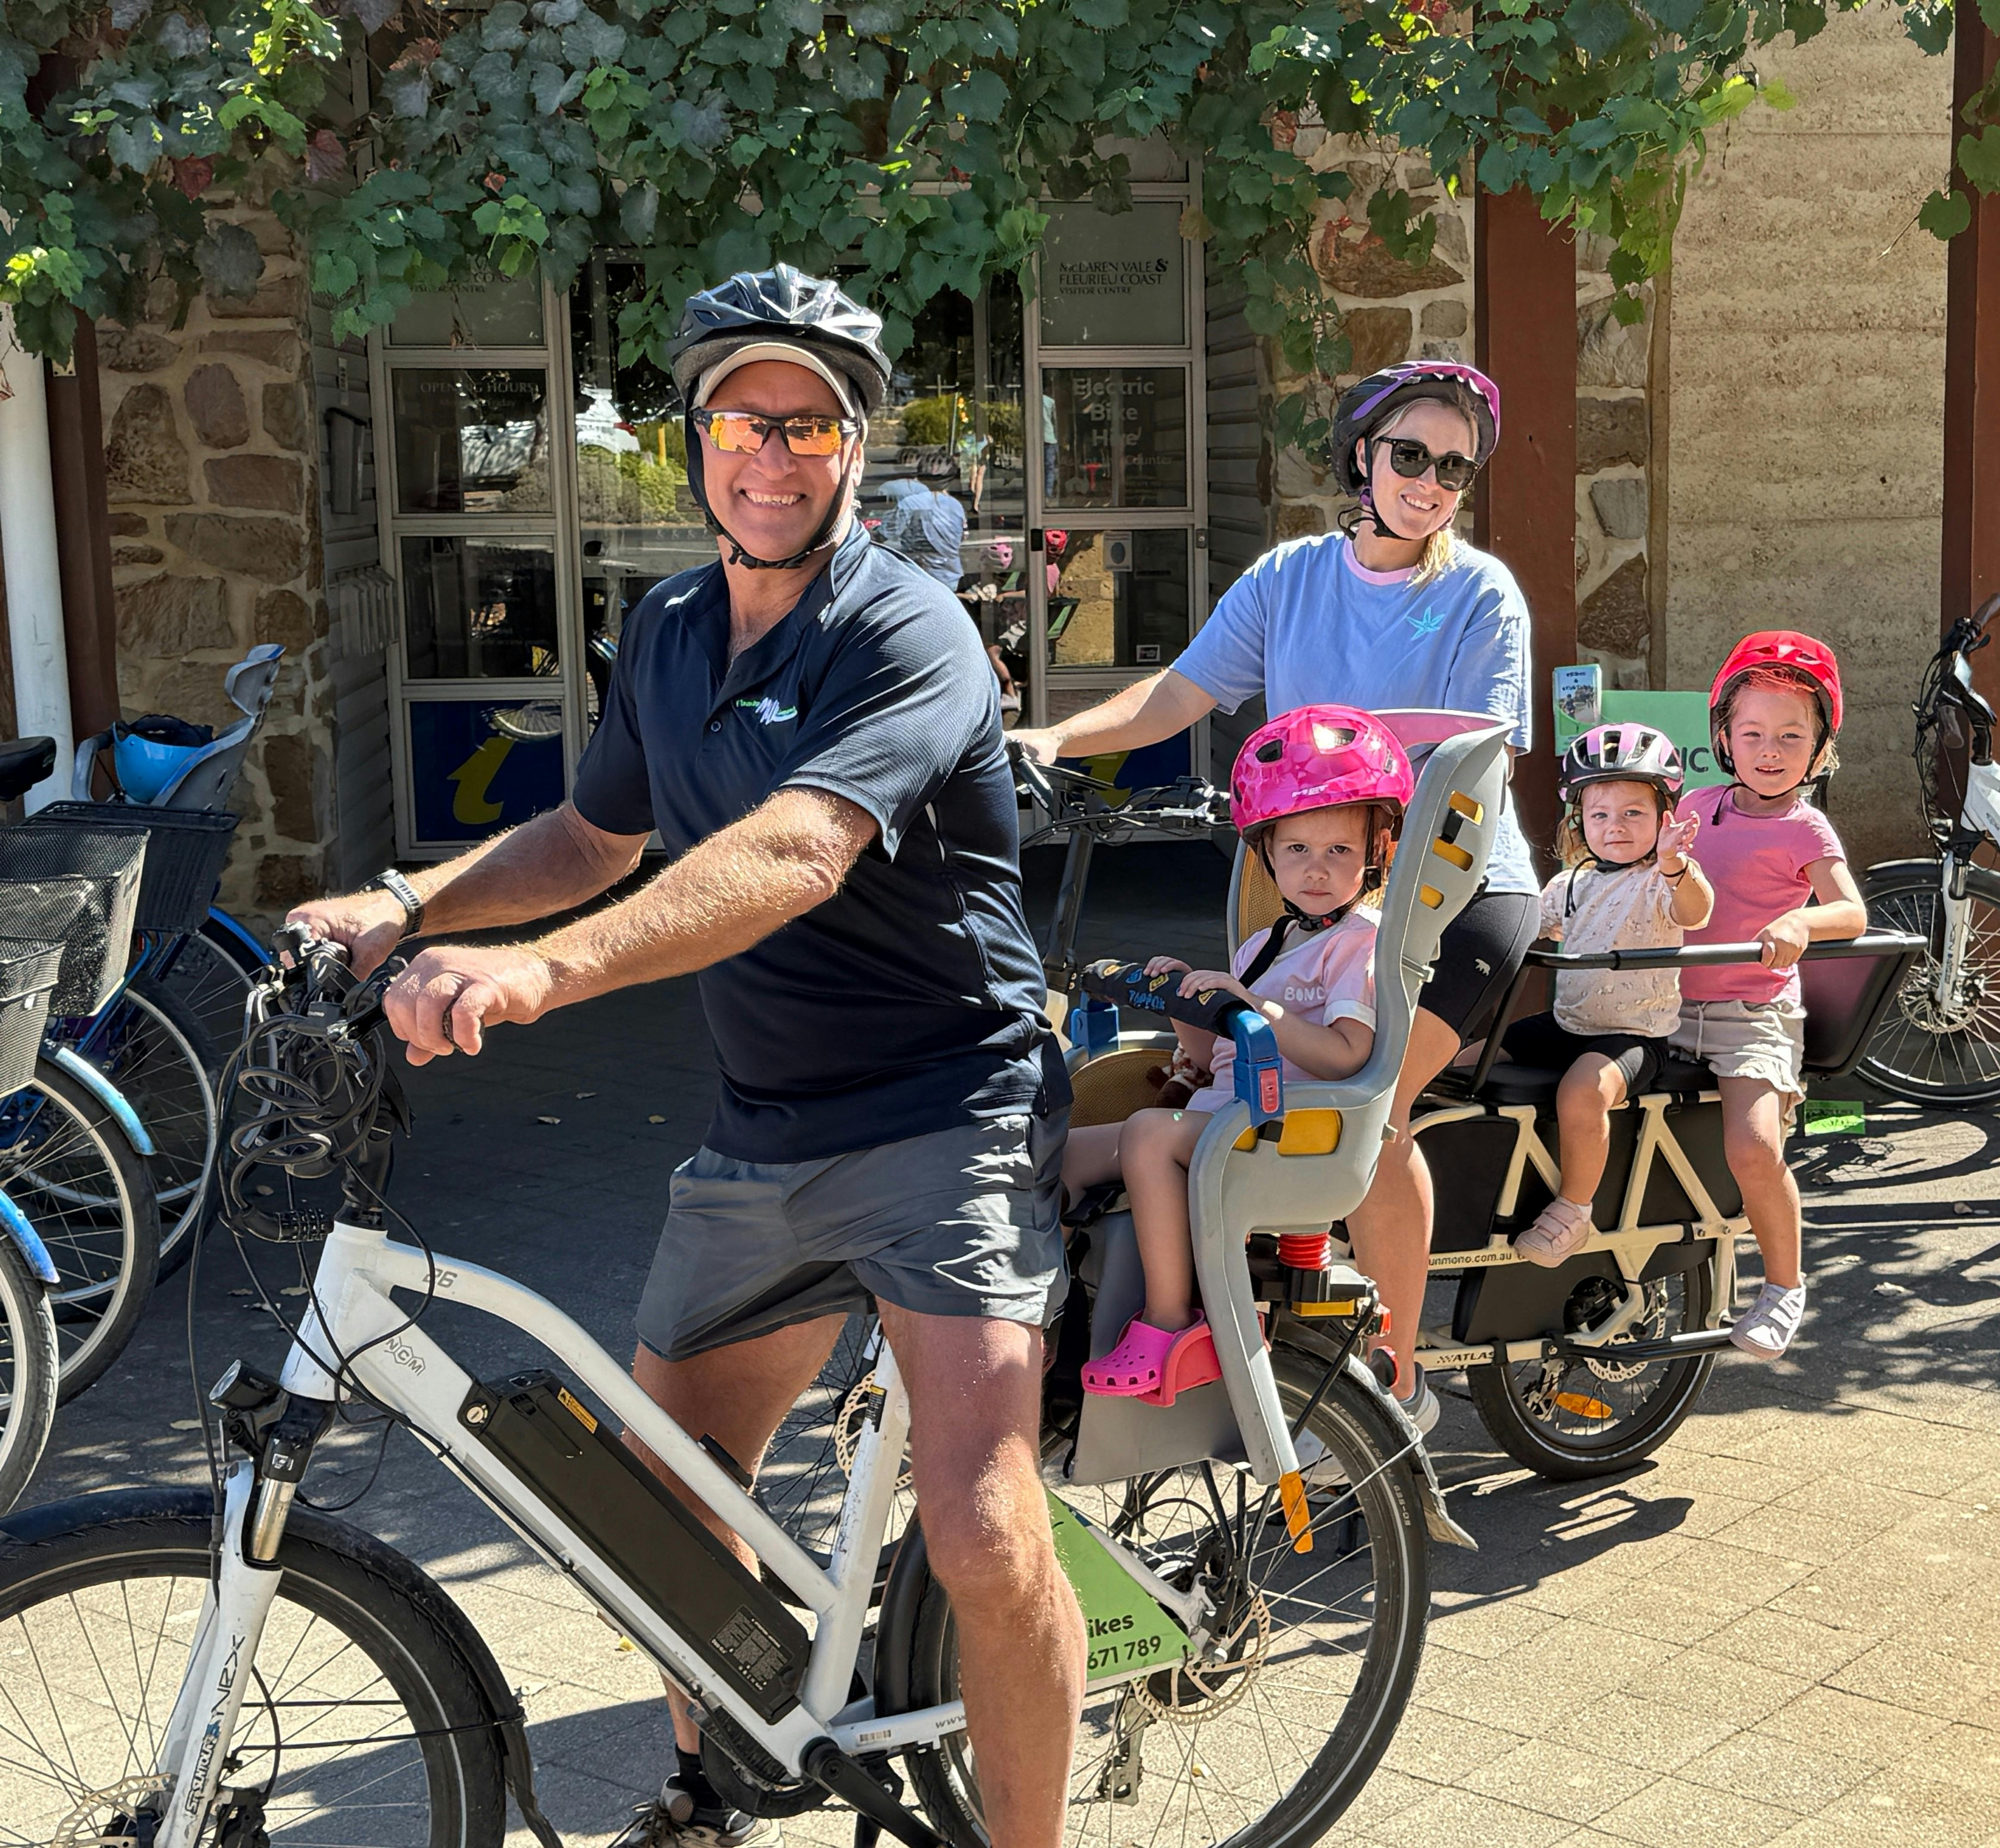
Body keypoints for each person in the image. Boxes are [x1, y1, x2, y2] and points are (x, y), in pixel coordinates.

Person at [286, 266, 1083, 1848]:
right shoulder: (662, 625)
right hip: (767, 1128)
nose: (769, 455)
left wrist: (537, 976)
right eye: (740, 420)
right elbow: (595, 826)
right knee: (662, 1502)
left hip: (951, 1117)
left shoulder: (909, 632)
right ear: (693, 442)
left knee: (984, 1534)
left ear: (854, 445)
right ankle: (716, 1782)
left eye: (806, 422)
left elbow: (795, 848)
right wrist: (404, 904)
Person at [1011, 361, 1538, 1428]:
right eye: (1409, 456)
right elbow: (1180, 693)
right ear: (1362, 458)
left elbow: (1483, 760)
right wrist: (1053, 738)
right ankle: (1257, 1329)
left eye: (1453, 466)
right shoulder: (1290, 578)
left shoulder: (1478, 592)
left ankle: (1398, 1382)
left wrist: (1353, 809)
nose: (1429, 483)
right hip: (1310, 880)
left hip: (1453, 886)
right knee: (1223, 1093)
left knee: (1367, 1114)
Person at [1068, 705, 1412, 1402]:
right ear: (1266, 853)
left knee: (1144, 1133)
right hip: (1226, 1113)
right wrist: (1180, 998)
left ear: (1374, 852)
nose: (1315, 869)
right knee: (1058, 1152)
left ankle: (1170, 1322)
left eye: (1338, 851)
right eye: (1296, 850)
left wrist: (1263, 1010)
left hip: (1281, 1130)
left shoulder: (1360, 943)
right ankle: (1058, 1313)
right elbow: (1217, 1049)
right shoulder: (1263, 945)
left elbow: (1350, 1055)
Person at [1673, 631, 1867, 1361]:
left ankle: (1784, 1284)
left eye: (1792, 735)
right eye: (1752, 733)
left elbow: (1850, 912)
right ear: (1724, 737)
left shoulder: (1804, 824)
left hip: (1752, 1013)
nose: (1770, 750)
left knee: (1754, 1145)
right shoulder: (1695, 805)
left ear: (1821, 748)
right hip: (1664, 1005)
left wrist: (1799, 917)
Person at [1505, 723, 1713, 1266]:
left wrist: (1675, 864)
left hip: (1634, 1034)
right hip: (1567, 1024)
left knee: (1583, 1092)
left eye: (1633, 814)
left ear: (1666, 819)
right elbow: (1524, 930)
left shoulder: (1662, 880)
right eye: (1599, 815)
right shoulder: (1571, 882)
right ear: (1579, 821)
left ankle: (1574, 1210)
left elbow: (1696, 911)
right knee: (1467, 1061)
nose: (1614, 827)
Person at [874, 451, 967, 588]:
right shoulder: (956, 505)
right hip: (950, 577)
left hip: (920, 577)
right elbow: (962, 537)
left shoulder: (910, 503)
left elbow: (885, 535)